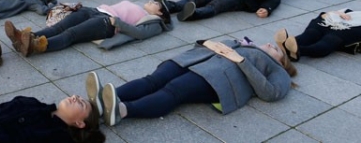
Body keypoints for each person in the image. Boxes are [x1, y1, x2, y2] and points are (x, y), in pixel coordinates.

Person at [95, 36, 296, 127]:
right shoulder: (241, 42)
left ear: (281, 61)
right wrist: (207, 43)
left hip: (217, 78)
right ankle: (101, 101)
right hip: (192, 60)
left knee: (173, 91)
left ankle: (122, 110)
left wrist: (242, 61)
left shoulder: (277, 70)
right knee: (152, 80)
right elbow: (206, 45)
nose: (271, 44)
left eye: (277, 49)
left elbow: (270, 93)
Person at [5, 0, 171, 56]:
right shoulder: (141, 8)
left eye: (156, 4)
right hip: (94, 11)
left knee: (71, 34)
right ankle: (25, 37)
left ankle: (36, 46)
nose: (152, 1)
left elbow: (139, 34)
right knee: (59, 27)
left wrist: (117, 23)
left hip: (106, 22)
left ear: (160, 14)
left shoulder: (155, 23)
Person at [275, 9, 361, 60]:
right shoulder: (351, 12)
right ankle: (289, 46)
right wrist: (338, 13)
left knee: (326, 43)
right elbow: (328, 14)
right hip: (327, 24)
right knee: (310, 34)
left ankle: (294, 50)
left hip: (343, 32)